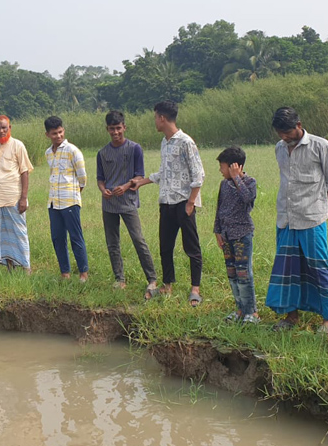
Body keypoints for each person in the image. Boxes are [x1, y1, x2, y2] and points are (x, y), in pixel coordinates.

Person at [267, 107, 328, 334]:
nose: (284, 137)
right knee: (289, 268)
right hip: (286, 220)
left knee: (319, 267)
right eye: (280, 133)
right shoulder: (280, 148)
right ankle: (291, 317)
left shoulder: (321, 146)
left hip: (312, 219)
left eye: (287, 132)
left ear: (299, 125)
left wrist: (320, 209)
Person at [134, 100, 205, 303]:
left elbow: (198, 175)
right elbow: (165, 173)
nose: (155, 121)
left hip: (183, 203)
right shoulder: (165, 142)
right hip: (166, 202)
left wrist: (191, 203)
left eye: (155, 117)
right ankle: (167, 286)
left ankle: (195, 289)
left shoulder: (185, 142)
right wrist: (143, 181)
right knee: (165, 246)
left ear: (162, 118)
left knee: (191, 247)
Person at [96, 111, 157, 291]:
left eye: (118, 128)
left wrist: (126, 185)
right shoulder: (102, 153)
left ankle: (152, 278)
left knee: (138, 239)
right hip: (108, 204)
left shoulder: (134, 149)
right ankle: (119, 279)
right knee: (112, 242)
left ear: (124, 127)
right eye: (111, 129)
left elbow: (140, 175)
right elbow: (100, 178)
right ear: (107, 129)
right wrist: (103, 190)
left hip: (128, 201)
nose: (115, 132)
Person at [213, 146, 259, 323]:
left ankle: (251, 312)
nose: (220, 170)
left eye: (223, 167)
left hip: (241, 234)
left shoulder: (249, 182)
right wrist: (217, 231)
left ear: (234, 166)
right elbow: (220, 208)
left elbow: (247, 199)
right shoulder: (224, 184)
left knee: (243, 273)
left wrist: (236, 178)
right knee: (232, 273)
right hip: (226, 236)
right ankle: (240, 310)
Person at [0, 115, 34, 272]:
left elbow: (25, 172)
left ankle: (26, 267)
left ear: (10, 128)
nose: (1, 130)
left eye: (4, 127)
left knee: (19, 234)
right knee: (3, 236)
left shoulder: (18, 145)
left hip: (13, 198)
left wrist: (23, 198)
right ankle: (10, 268)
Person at [44, 115, 89, 282]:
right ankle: (65, 273)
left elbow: (82, 178)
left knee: (76, 237)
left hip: (70, 201)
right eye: (54, 133)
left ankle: (83, 273)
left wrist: (74, 194)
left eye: (60, 132)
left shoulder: (73, 151)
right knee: (57, 238)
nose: (58, 136)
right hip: (53, 202)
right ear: (47, 134)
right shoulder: (48, 153)